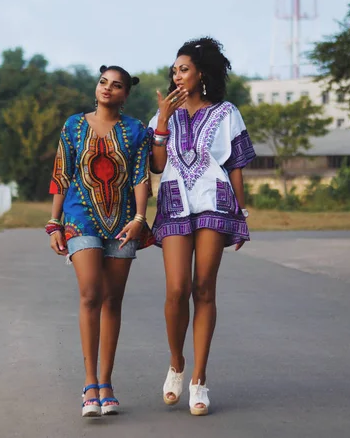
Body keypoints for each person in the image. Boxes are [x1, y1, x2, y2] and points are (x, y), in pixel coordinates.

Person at [148, 37, 256, 416]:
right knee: (176, 289)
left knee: (203, 289)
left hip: (215, 202)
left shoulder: (227, 113)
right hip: (175, 203)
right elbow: (158, 166)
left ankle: (199, 379)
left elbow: (236, 165)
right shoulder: (163, 114)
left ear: (201, 74)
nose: (177, 75)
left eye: (184, 69)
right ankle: (176, 364)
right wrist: (162, 120)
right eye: (174, 69)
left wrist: (241, 214)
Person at [47, 65, 153, 417]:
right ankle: (89, 384)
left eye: (117, 85)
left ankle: (106, 384)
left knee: (113, 299)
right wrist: (54, 222)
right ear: (97, 87)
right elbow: (62, 173)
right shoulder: (74, 125)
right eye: (103, 82)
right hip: (80, 218)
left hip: (123, 223)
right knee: (91, 292)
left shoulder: (136, 130)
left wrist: (140, 218)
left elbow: (140, 176)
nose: (108, 88)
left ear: (126, 94)